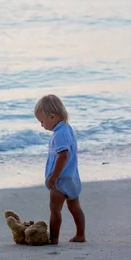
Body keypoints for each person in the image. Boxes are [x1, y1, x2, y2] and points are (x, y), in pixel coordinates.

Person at [34, 94, 86, 244]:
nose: (41, 125)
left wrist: (54, 176)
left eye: (42, 121)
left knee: (55, 209)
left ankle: (54, 238)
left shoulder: (59, 135)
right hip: (72, 178)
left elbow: (63, 156)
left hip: (60, 180)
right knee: (75, 208)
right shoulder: (67, 129)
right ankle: (80, 234)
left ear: (52, 116)